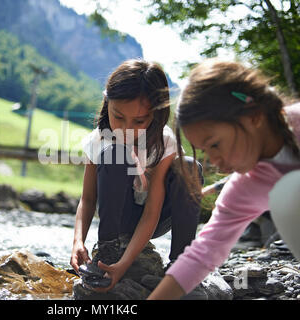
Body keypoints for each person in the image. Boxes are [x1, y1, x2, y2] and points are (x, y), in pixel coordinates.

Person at [148, 59, 300, 300]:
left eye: (215, 144)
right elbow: (202, 254)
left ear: (253, 116)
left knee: (292, 188)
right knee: (289, 191)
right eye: (206, 151)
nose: (214, 160)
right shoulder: (246, 186)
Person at [70, 58, 203, 293]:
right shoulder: (99, 140)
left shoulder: (166, 142)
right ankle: (108, 251)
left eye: (138, 121)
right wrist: (78, 242)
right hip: (119, 218)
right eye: (118, 116)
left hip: (157, 217)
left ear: (156, 115)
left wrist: (126, 264)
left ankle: (182, 263)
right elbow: (88, 199)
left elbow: (152, 212)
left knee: (190, 167)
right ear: (107, 103)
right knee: (116, 154)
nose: (125, 128)